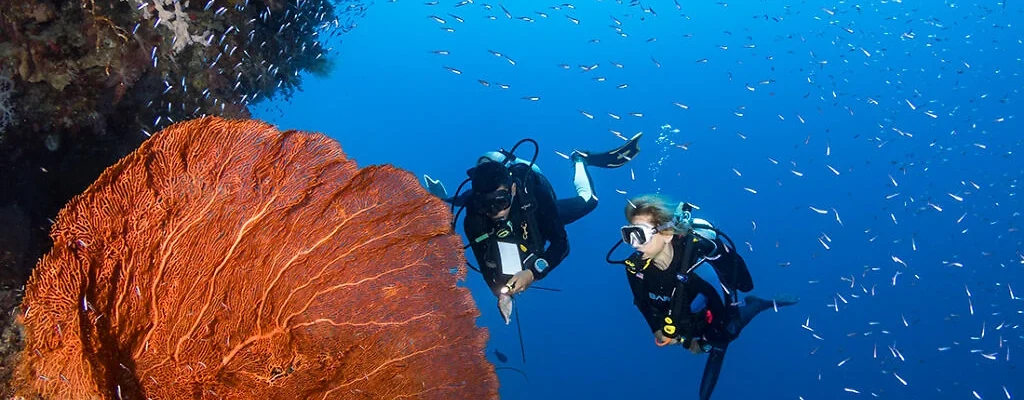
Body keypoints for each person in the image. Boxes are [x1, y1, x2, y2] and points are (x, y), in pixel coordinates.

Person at [430, 134, 642, 323]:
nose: (496, 213)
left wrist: (532, 273)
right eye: (487, 206)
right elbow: (486, 269)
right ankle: (445, 195)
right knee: (461, 202)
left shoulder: (533, 195)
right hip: (483, 203)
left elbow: (561, 245)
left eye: (501, 202)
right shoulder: (474, 218)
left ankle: (580, 160)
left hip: (536, 210)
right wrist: (502, 295)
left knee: (589, 201)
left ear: (512, 190)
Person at [610, 195, 798, 400]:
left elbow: (726, 313)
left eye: (641, 234)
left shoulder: (699, 270)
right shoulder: (635, 269)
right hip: (682, 318)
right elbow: (642, 302)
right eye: (629, 235)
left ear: (667, 234)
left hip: (710, 318)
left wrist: (705, 342)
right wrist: (656, 329)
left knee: (730, 331)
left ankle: (757, 304)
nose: (634, 244)